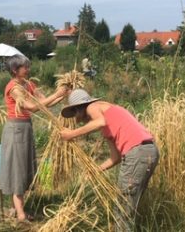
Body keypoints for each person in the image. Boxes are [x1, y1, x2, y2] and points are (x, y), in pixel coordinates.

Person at [59, 89, 159, 229]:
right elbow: (115, 157)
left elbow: (99, 122)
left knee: (123, 208)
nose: (77, 119)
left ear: (80, 107)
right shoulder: (108, 118)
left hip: (137, 153)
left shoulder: (93, 107)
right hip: (148, 152)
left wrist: (71, 135)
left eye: (75, 113)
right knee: (128, 206)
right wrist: (95, 170)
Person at [0, 54, 67, 222]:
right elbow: (31, 106)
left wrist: (62, 95)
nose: (28, 69)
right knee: (18, 168)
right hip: (15, 130)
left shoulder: (28, 84)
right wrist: (57, 93)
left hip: (25, 129)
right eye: (25, 67)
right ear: (15, 70)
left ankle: (17, 210)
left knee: (24, 167)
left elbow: (45, 103)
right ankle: (21, 215)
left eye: (28, 66)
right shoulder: (13, 87)